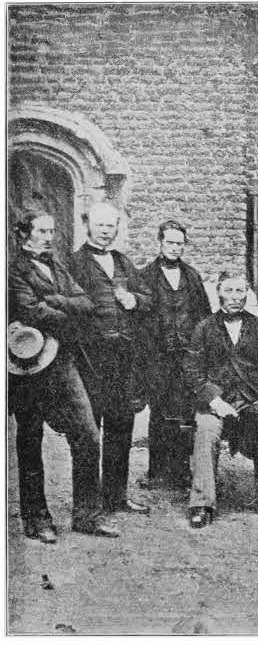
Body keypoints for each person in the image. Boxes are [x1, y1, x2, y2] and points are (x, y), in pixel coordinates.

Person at [8, 206, 119, 541]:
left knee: (87, 435)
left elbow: (87, 302)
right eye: (42, 231)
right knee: (30, 441)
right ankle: (37, 520)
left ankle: (87, 515)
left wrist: (54, 300)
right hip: (27, 367)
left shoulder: (57, 264)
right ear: (24, 234)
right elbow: (32, 311)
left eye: (52, 232)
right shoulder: (13, 269)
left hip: (63, 363)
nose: (49, 238)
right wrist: (65, 309)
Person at [68, 202, 152, 516]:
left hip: (123, 361)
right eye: (100, 225)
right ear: (88, 225)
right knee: (88, 434)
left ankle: (115, 497)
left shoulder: (123, 262)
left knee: (120, 429)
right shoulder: (74, 263)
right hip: (90, 361)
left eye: (111, 225)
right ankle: (89, 505)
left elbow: (148, 299)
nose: (106, 231)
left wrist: (134, 300)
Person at [183, 272, 258, 528]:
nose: (235, 297)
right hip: (217, 403)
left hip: (252, 401)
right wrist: (214, 400)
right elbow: (192, 370)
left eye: (240, 291)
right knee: (206, 430)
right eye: (229, 291)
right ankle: (202, 503)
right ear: (219, 293)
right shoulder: (204, 327)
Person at [139, 220, 212, 489]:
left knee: (184, 412)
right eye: (169, 242)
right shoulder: (145, 276)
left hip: (186, 357)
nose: (174, 247)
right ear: (160, 243)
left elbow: (204, 316)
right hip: (157, 356)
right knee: (159, 410)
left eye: (179, 243)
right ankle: (157, 471)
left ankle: (181, 469)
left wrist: (200, 351)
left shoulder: (192, 276)